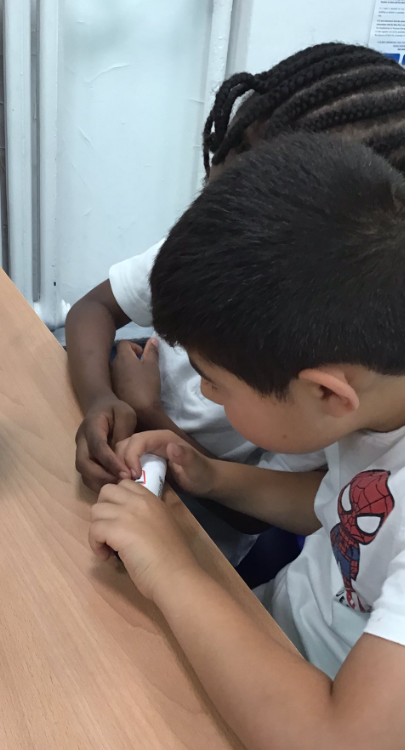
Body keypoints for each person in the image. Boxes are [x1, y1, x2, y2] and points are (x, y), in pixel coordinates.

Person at [89, 133, 405, 750]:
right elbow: (342, 507)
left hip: (301, 714)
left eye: (215, 381)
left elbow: (341, 742)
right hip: (266, 638)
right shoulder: (376, 397)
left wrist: (170, 570)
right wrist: (212, 476)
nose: (204, 392)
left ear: (326, 393)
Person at [66, 42, 405, 564]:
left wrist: (150, 412)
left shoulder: (326, 370)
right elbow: (325, 503)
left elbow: (278, 511)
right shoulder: (219, 253)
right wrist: (102, 399)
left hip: (198, 520)